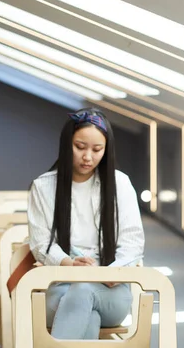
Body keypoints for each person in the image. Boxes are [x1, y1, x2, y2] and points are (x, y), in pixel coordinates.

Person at [27, 108, 145, 340]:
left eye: (97, 149)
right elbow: (41, 244)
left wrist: (112, 273)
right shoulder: (43, 186)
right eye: (80, 147)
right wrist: (70, 264)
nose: (88, 157)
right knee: (89, 318)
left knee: (84, 291)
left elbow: (133, 242)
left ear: (106, 150)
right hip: (60, 287)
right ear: (66, 144)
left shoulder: (120, 184)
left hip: (112, 292)